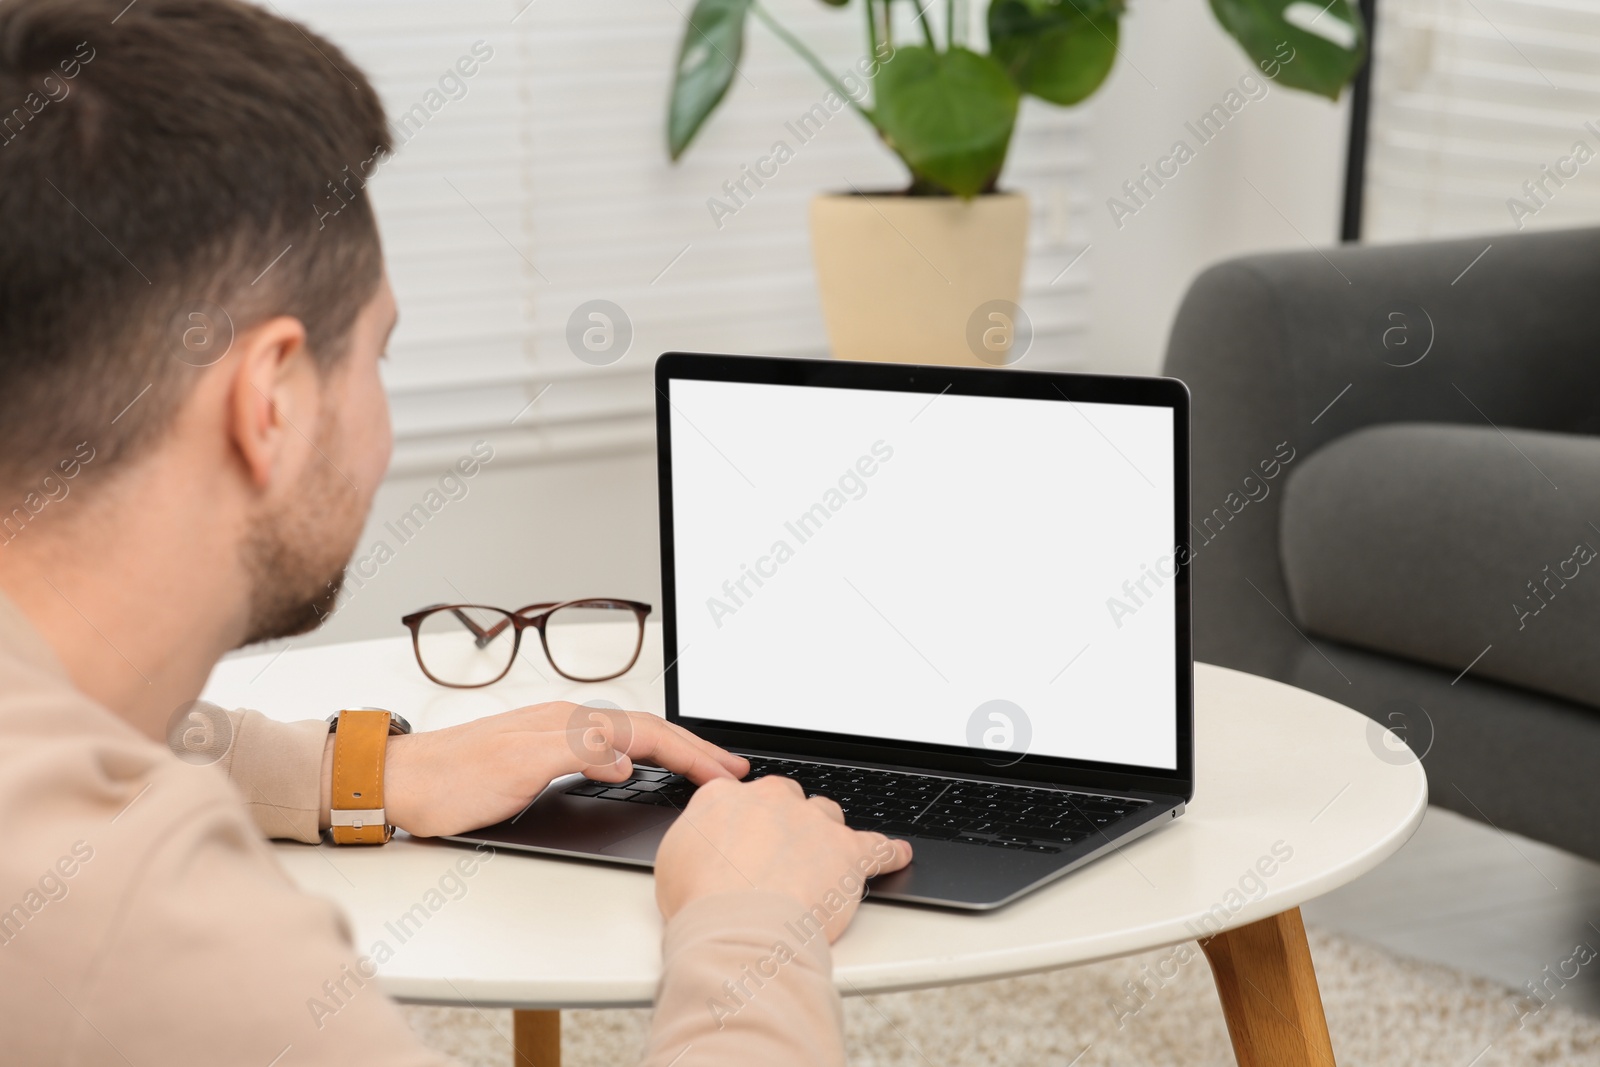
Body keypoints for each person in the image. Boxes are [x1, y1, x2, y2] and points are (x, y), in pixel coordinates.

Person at [0, 1, 912, 1063]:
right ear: (272, 402)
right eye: (377, 355)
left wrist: (365, 773)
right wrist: (752, 925)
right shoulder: (146, 922)